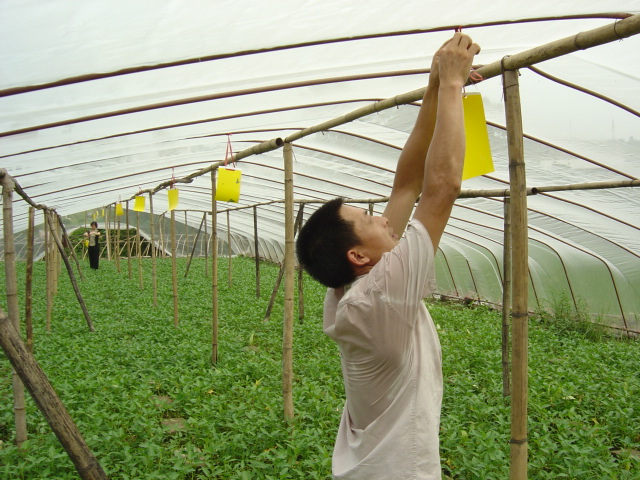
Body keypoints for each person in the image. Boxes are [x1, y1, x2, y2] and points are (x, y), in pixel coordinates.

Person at [296, 33, 481, 479]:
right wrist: (453, 85)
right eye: (368, 218)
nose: (382, 217)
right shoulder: (380, 296)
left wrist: (434, 86)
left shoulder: (355, 285)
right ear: (358, 254)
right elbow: (441, 189)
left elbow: (406, 185)